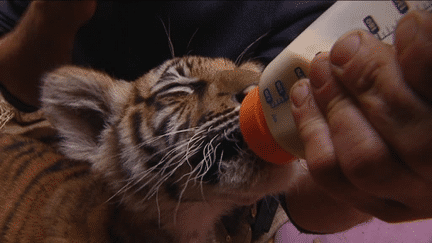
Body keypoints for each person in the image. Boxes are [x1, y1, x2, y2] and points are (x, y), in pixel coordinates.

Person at [0, 0, 431, 236]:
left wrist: (382, 179)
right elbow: (24, 86)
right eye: (181, 90)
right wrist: (56, 13)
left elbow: (302, 202)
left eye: (247, 77)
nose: (246, 90)